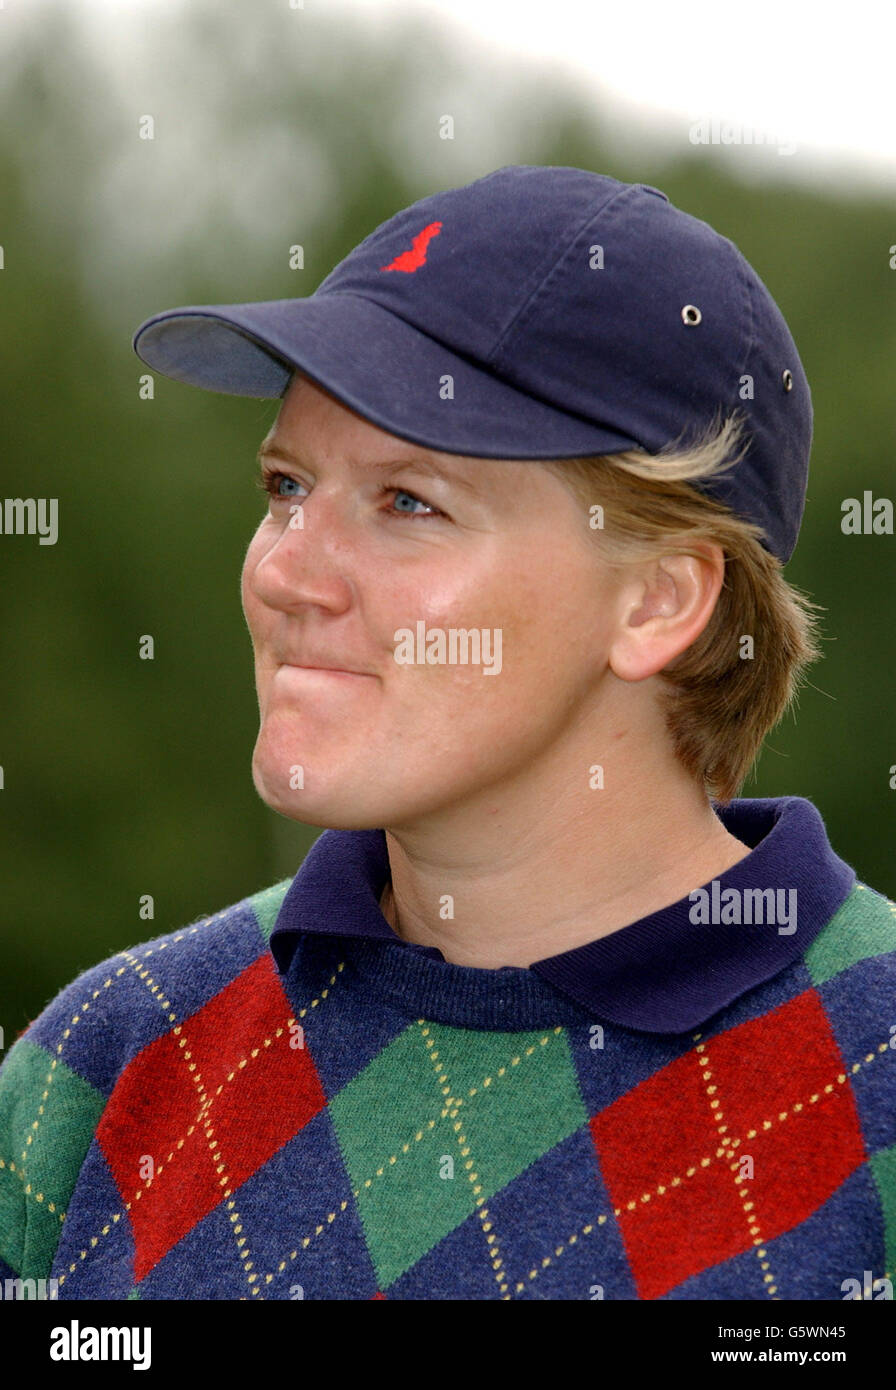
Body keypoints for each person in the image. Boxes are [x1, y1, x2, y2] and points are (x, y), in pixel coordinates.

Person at [1, 166, 893, 1302]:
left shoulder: (873, 1075)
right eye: (285, 485)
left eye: (408, 502)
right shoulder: (105, 1063)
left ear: (659, 601)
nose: (281, 570)